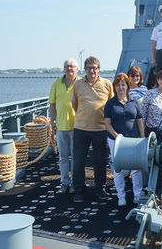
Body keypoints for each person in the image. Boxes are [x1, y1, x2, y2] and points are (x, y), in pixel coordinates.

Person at [71, 56, 114, 203]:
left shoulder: (107, 84)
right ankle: (79, 190)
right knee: (78, 162)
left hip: (100, 129)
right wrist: (84, 116)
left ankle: (100, 189)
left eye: (95, 67)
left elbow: (111, 106)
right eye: (89, 68)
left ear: (99, 69)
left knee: (100, 162)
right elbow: (74, 104)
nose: (92, 70)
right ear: (85, 69)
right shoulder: (77, 84)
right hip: (81, 129)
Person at [104, 73, 145, 206]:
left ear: (127, 86)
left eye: (123, 84)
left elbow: (139, 121)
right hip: (116, 141)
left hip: (133, 140)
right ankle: (121, 196)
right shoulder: (110, 104)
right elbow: (107, 124)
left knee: (136, 168)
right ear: (114, 87)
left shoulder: (134, 102)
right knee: (118, 169)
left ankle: (137, 195)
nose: (121, 87)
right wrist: (117, 137)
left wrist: (142, 138)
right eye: (118, 85)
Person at [49, 58, 80, 194]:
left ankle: (74, 182)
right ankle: (64, 182)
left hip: (77, 126)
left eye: (72, 67)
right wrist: (52, 121)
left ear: (77, 69)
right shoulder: (57, 84)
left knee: (75, 157)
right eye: (67, 67)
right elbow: (52, 104)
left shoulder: (81, 83)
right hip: (61, 126)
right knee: (63, 157)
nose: (70, 69)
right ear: (64, 69)